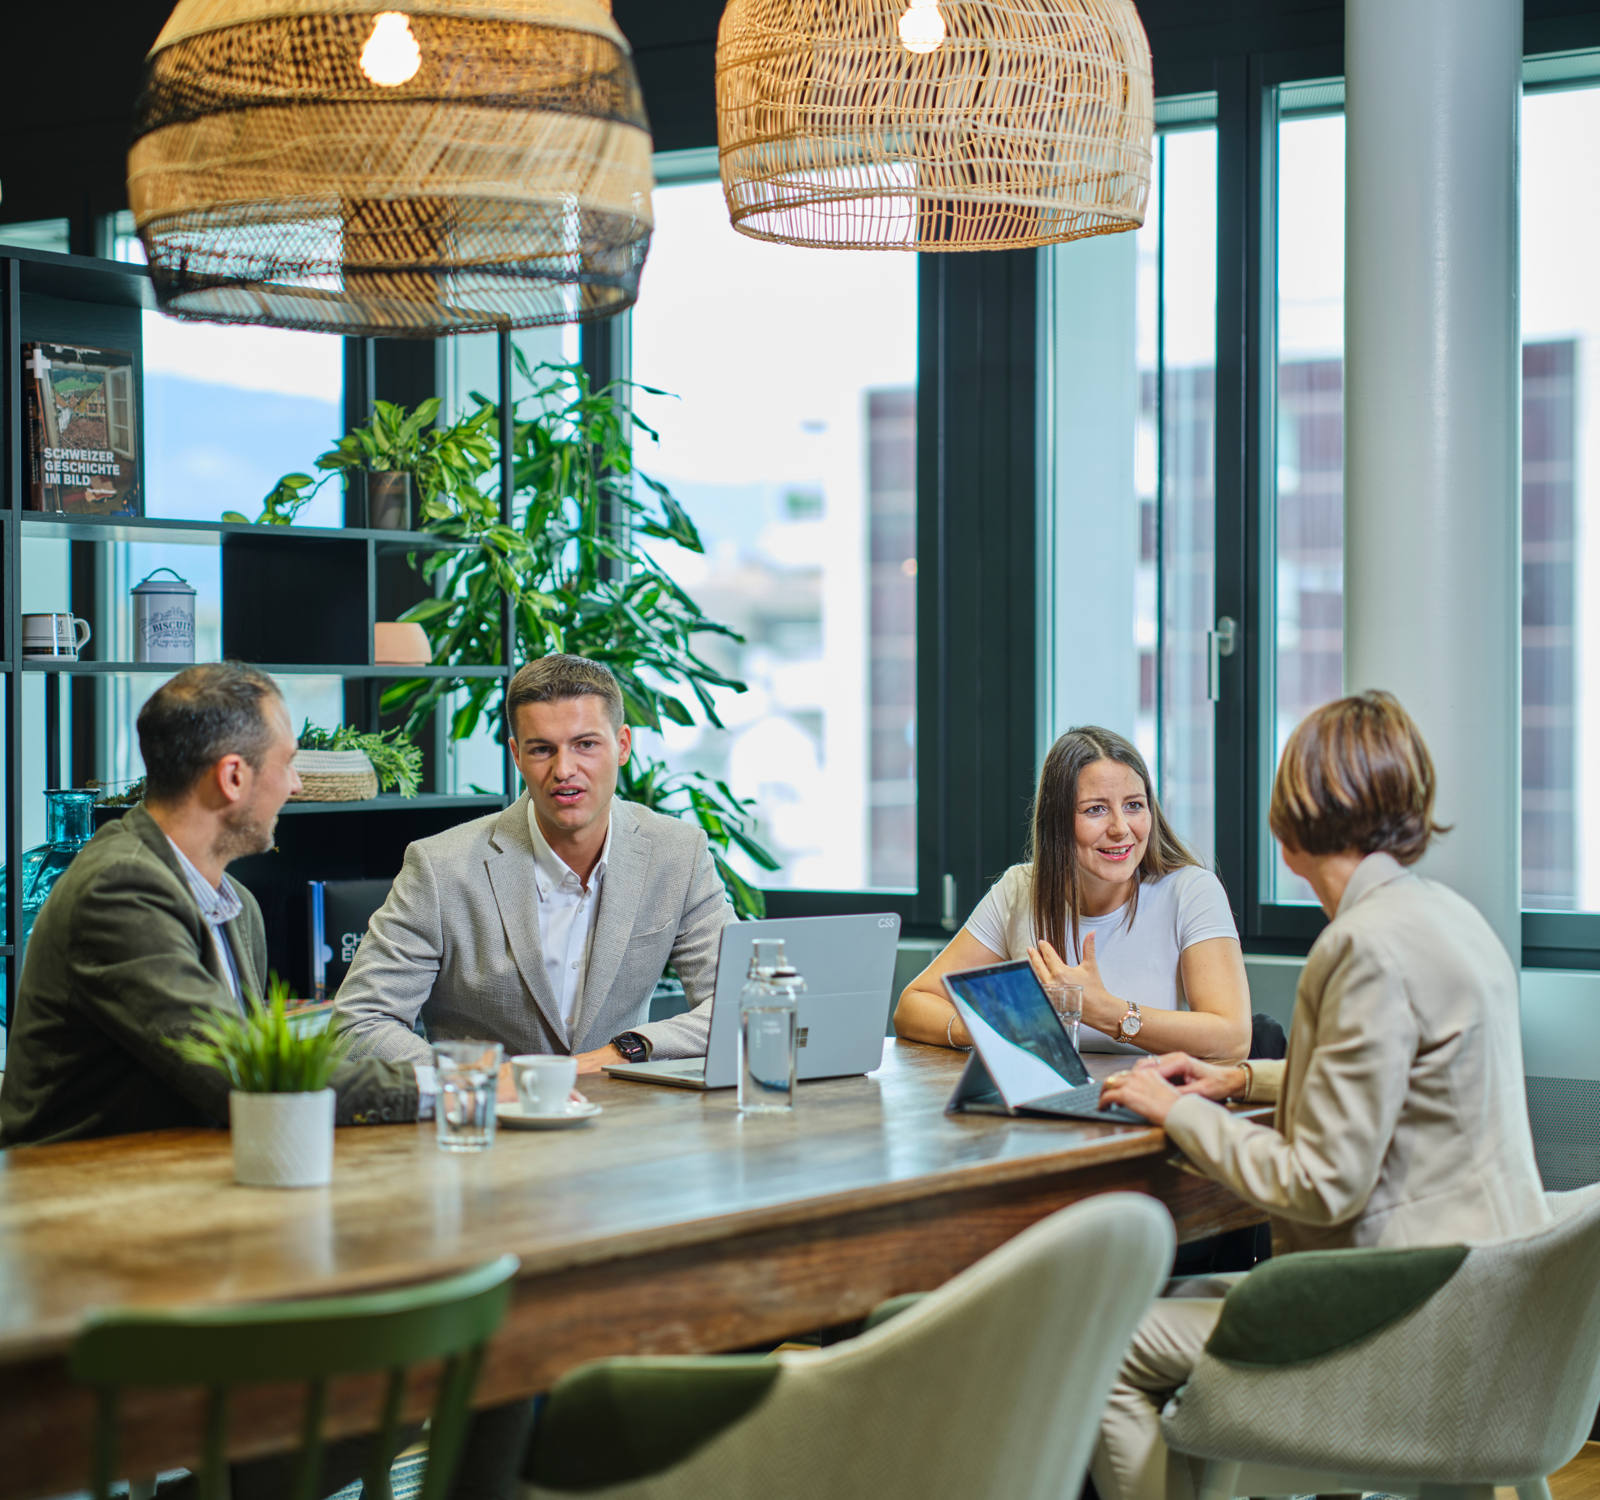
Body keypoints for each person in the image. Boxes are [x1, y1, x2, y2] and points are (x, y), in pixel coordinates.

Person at [1091, 691, 1552, 1500]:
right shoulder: (1449, 917)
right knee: (1193, 1303)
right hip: (1492, 1308)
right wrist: (1238, 1080)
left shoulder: (1361, 947)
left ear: (1291, 823)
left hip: (1401, 1319)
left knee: (1103, 1345)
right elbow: (1405, 1083)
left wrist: (1182, 1111)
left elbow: (1322, 1182)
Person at [0, 662, 419, 1147]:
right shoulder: (118, 889)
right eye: (287, 764)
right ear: (233, 777)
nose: (295, 786)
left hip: (179, 1172)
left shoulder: (236, 902)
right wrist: (451, 1085)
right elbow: (247, 1075)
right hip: (77, 1195)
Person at [333, 653, 735, 1075]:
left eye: (585, 745)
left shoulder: (677, 853)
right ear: (517, 755)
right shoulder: (440, 868)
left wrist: (625, 1051)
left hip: (623, 1125)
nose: (564, 770)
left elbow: (741, 1001)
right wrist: (480, 1080)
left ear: (622, 746)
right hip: (488, 1127)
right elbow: (359, 1024)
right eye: (542, 749)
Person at [894, 725, 1250, 1060]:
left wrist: (1106, 1012)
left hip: (1148, 1102)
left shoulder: (1191, 891)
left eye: (1134, 805)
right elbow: (914, 1004)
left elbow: (1232, 1035)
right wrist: (990, 1030)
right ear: (1058, 821)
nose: (1121, 828)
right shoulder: (1019, 889)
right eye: (1096, 809)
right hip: (1047, 1104)